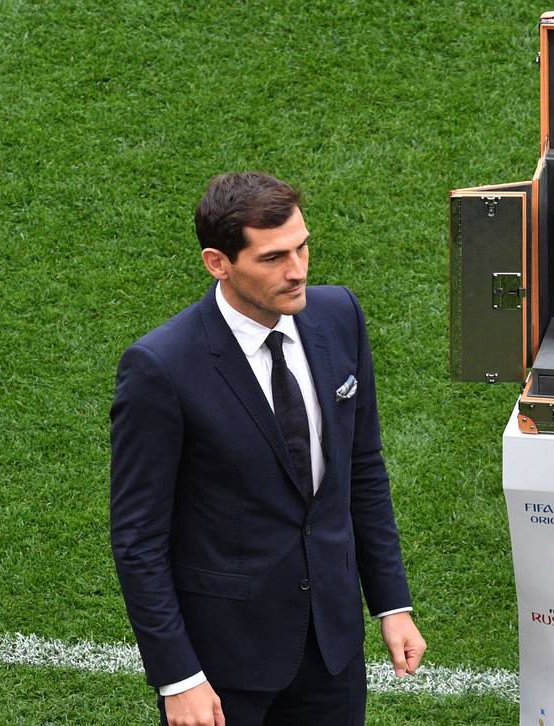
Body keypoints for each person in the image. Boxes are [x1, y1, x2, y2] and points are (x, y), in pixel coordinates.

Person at [110, 172, 426, 726]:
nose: (297, 270)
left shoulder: (340, 315)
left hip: (333, 651)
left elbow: (362, 468)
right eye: (274, 257)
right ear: (218, 263)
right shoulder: (161, 368)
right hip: (223, 666)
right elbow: (138, 539)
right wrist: (178, 677)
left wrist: (391, 603)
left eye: (302, 247)